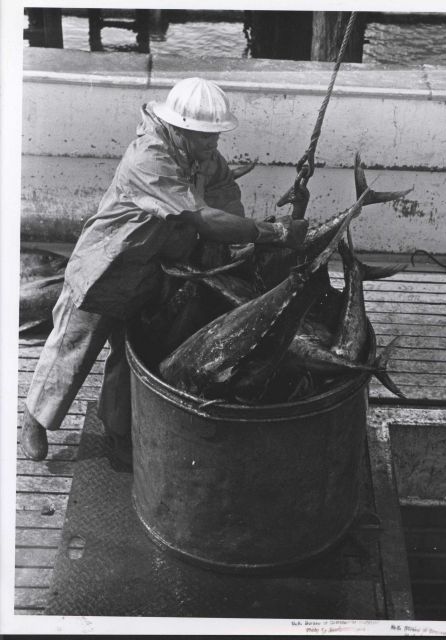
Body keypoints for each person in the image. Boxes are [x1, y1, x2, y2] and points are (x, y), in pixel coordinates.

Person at [21, 77, 308, 464]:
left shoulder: (208, 160)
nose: (213, 143)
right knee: (73, 346)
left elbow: (227, 206)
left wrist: (251, 242)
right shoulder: (149, 157)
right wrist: (271, 232)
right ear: (178, 127)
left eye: (216, 135)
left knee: (130, 355)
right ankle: (36, 419)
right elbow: (204, 218)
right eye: (204, 135)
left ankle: (119, 432)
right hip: (104, 267)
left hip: (152, 274)